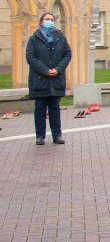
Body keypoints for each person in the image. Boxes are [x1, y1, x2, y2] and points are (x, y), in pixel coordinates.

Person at [26, 12, 72, 145]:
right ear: (41, 21)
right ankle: (40, 136)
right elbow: (30, 57)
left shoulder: (60, 37)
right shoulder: (34, 38)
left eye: (52, 19)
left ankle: (57, 135)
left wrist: (58, 69)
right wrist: (45, 70)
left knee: (54, 108)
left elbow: (67, 54)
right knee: (39, 108)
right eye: (47, 19)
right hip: (40, 79)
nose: (50, 21)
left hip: (56, 79)